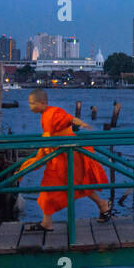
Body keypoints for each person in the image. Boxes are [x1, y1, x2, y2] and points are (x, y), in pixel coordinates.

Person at [20, 89, 113, 230]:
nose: (30, 106)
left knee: (70, 184)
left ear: (43, 102)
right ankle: (102, 205)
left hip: (69, 156)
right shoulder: (45, 114)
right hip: (59, 155)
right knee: (71, 184)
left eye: (33, 103)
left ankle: (47, 222)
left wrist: (81, 123)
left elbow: (68, 119)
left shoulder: (53, 113)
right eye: (29, 103)